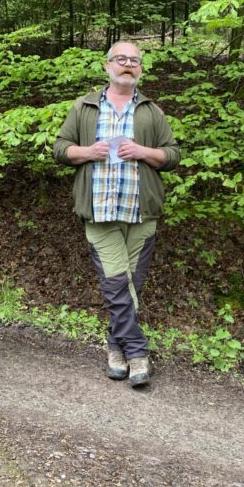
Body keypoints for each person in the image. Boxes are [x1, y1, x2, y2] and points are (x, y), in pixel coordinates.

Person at [53, 41, 180, 387]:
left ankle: (115, 347)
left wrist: (143, 151)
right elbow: (60, 149)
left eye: (134, 61)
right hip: (99, 211)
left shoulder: (152, 111)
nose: (128, 65)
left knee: (129, 286)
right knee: (115, 284)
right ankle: (137, 352)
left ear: (141, 68)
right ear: (107, 65)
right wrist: (86, 151)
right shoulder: (85, 107)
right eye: (121, 59)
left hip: (142, 212)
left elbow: (172, 155)